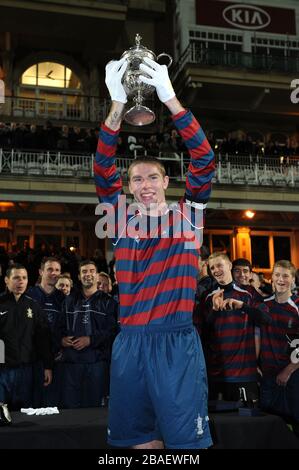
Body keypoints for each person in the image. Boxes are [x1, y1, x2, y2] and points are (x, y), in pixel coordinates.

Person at [94, 56, 215, 449]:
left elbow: (204, 159)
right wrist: (116, 104)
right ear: (128, 186)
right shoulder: (118, 219)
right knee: (136, 444)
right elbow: (101, 167)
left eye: (151, 176)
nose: (144, 184)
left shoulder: (189, 215)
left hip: (175, 343)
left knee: (185, 446)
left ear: (166, 180)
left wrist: (170, 98)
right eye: (135, 178)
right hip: (130, 343)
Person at [59, 260, 117, 408]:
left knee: (93, 412)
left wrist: (90, 340)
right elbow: (59, 327)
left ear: (97, 276)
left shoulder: (108, 302)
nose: (88, 275)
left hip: (96, 364)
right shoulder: (69, 301)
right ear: (78, 276)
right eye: (84, 271)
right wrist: (62, 339)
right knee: (70, 410)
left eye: (92, 271)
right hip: (72, 364)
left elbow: (112, 332)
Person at [0, 264, 53, 409]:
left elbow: (43, 339)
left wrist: (47, 366)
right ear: (6, 280)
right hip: (3, 370)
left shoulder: (33, 306)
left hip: (26, 369)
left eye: (24, 278)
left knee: (24, 413)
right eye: (16, 278)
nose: (21, 282)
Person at [258, 260, 299, 437]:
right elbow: (256, 336)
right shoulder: (263, 305)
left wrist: (289, 370)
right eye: (277, 275)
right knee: (270, 428)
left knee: (295, 425)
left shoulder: (297, 306)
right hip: (267, 375)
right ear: (271, 278)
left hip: (293, 375)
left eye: (285, 275)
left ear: (292, 279)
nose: (281, 279)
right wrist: (255, 365)